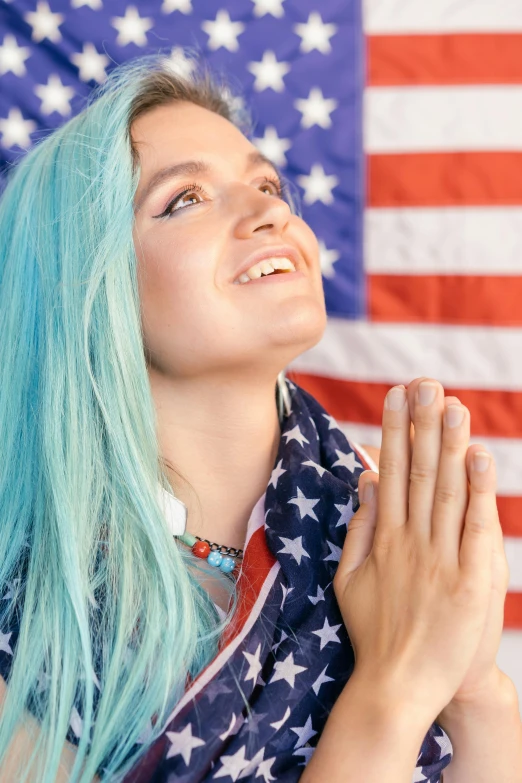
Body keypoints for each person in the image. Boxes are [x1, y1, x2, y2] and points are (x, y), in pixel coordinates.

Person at [0, 51, 511, 783]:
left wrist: (473, 687)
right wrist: (392, 691)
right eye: (185, 199)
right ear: (85, 284)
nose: (272, 209)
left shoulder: (389, 532)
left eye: (267, 184)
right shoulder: (27, 616)